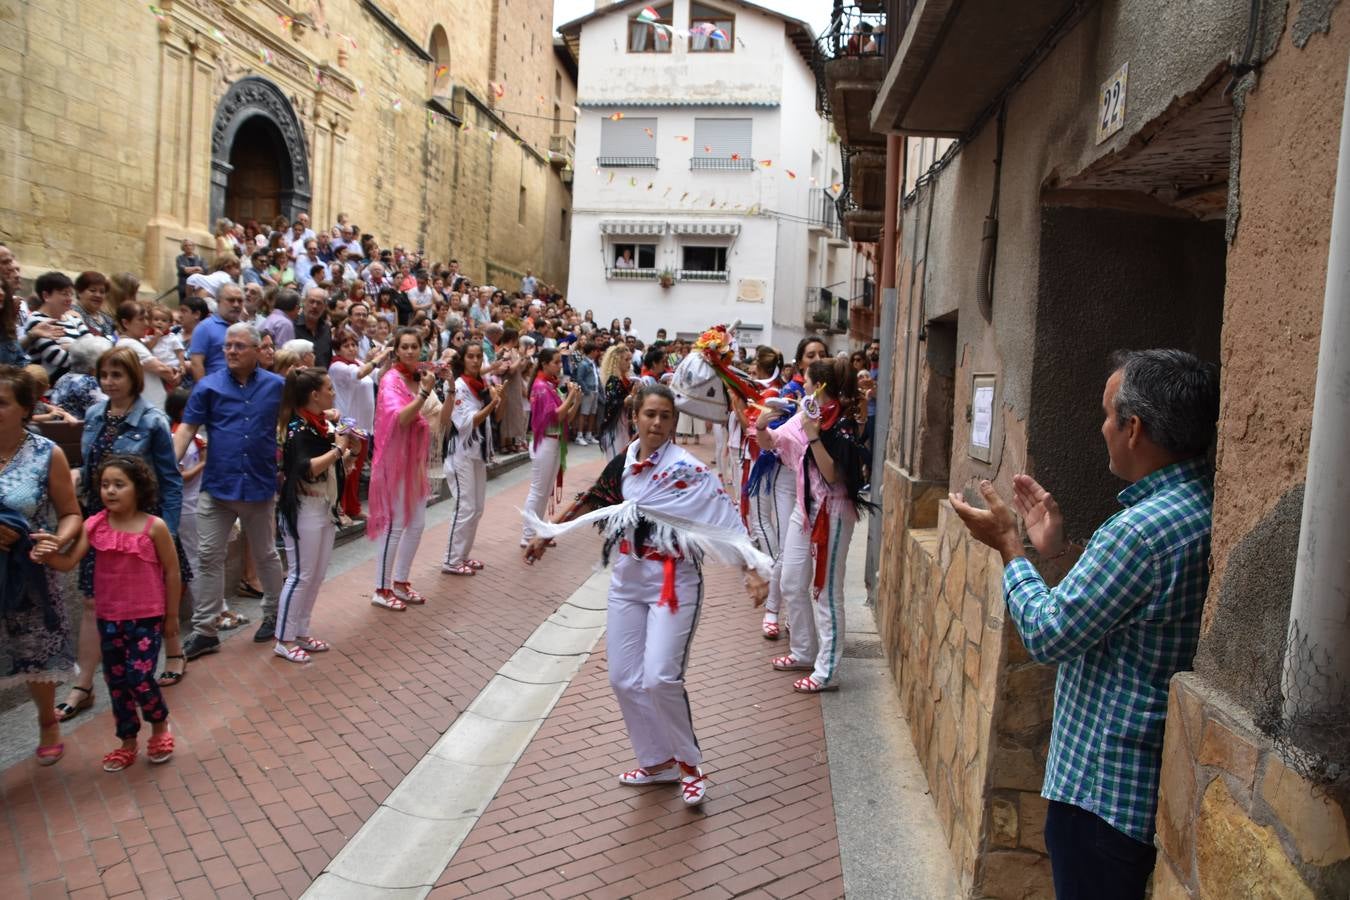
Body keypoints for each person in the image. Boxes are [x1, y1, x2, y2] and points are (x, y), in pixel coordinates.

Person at [947, 349, 1219, 900]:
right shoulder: (1198, 504)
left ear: (1134, 428)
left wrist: (1009, 546)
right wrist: (1058, 552)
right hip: (1132, 791)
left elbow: (1048, 634)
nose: (1101, 428)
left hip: (1101, 793)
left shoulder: (1139, 530)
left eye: (1106, 414)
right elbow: (1128, 611)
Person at [523, 383, 771, 806]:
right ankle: (658, 761)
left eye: (666, 417)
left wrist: (751, 569)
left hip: (674, 581)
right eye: (650, 415)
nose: (657, 423)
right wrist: (550, 533)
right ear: (634, 417)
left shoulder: (688, 470)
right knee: (623, 679)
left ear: (675, 422)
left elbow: (725, 518)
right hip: (628, 578)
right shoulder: (625, 460)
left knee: (659, 678)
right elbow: (597, 498)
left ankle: (689, 765)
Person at [56, 346, 184, 721]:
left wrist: (169, 532)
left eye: (118, 375)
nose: (110, 382)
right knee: (92, 600)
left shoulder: (153, 420)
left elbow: (170, 480)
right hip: (101, 521)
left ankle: (174, 651)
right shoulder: (94, 415)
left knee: (157, 593)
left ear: (133, 378)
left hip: (143, 524)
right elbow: (90, 465)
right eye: (105, 375)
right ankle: (84, 684)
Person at [41, 454, 181, 771]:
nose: (111, 491)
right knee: (116, 683)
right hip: (109, 619)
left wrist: (171, 616)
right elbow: (67, 561)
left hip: (146, 616)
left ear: (138, 488)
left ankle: (159, 725)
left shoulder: (154, 527)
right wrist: (45, 552)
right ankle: (127, 740)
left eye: (119, 484)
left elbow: (172, 572)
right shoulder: (94, 525)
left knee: (139, 676)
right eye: (105, 485)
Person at [757, 357, 870, 693]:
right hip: (804, 510)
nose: (800, 384)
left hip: (832, 513)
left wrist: (815, 437)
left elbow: (834, 474)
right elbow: (772, 443)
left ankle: (827, 671)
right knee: (792, 581)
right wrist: (762, 425)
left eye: (805, 380)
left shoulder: (844, 420)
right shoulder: (807, 414)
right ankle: (804, 651)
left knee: (826, 592)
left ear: (818, 385)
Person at [174, 323, 286, 658]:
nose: (231, 351)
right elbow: (187, 429)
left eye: (239, 346)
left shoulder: (277, 386)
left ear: (256, 350)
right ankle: (205, 630)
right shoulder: (207, 387)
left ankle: (274, 615)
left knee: (266, 554)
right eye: (228, 346)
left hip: (259, 485)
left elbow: (298, 418)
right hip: (218, 487)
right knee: (208, 556)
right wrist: (166, 466)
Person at [0, 365, 81, 766]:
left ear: (26, 409)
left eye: (2, 402)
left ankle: (47, 720)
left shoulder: (47, 453)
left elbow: (70, 513)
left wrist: (57, 539)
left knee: (35, 652)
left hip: (31, 571)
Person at [275, 368, 356, 663]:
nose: (332, 394)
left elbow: (331, 462)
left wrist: (349, 453)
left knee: (317, 574)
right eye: (329, 389)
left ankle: (300, 630)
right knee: (300, 574)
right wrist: (338, 450)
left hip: (323, 506)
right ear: (314, 395)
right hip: (302, 507)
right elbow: (305, 468)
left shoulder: (320, 425)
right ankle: (283, 639)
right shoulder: (298, 427)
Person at [367, 327, 436, 611]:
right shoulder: (391, 379)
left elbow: (439, 416)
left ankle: (400, 581)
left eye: (413, 347)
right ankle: (381, 589)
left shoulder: (418, 377)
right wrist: (424, 394)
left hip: (414, 463)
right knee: (394, 526)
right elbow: (401, 419)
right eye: (404, 346)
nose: (409, 351)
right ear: (396, 349)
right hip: (394, 463)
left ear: (421, 350)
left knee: (417, 523)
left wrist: (449, 386)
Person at [439, 341, 502, 575]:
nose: (475, 361)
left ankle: (462, 555)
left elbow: (496, 418)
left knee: (477, 508)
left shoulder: (483, 384)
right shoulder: (457, 386)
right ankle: (450, 559)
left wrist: (498, 401)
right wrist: (492, 404)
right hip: (460, 453)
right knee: (464, 507)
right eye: (471, 356)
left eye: (478, 356)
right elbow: (466, 423)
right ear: (463, 360)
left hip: (478, 452)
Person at [520, 348, 580, 547]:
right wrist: (571, 396)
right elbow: (556, 416)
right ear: (544, 363)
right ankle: (527, 534)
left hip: (554, 441)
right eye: (555, 362)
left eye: (559, 362)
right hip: (544, 442)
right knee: (538, 490)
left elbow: (566, 418)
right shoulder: (540, 386)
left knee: (545, 491)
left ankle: (537, 529)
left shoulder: (549, 385)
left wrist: (576, 401)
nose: (559, 365)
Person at [329, 331, 387, 523]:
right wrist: (378, 357)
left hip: (363, 424)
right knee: (345, 469)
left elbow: (379, 375)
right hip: (347, 423)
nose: (352, 348)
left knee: (355, 468)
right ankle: (340, 508)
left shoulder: (358, 363)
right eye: (346, 345)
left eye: (354, 345)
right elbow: (361, 374)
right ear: (338, 349)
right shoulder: (337, 366)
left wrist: (390, 359)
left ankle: (353, 507)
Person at [24, 271, 89, 381]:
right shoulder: (37, 321)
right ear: (46, 296)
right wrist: (80, 347)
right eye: (64, 294)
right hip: (49, 391)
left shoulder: (74, 320)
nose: (70, 299)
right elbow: (59, 359)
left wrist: (69, 346)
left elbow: (97, 350)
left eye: (71, 294)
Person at [113, 301, 177, 409]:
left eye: (147, 319)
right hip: (149, 407)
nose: (147, 324)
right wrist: (175, 375)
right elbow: (162, 370)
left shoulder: (137, 342)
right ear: (126, 323)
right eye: (141, 319)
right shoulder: (129, 344)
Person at [189, 282, 244, 380]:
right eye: (231, 300)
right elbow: (196, 364)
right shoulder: (204, 328)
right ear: (218, 302)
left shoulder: (246, 329)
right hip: (215, 391)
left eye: (240, 301)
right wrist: (205, 392)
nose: (236, 305)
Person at [49, 334, 112, 420]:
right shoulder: (89, 383)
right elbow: (107, 412)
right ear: (94, 363)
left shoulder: (65, 377)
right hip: (78, 430)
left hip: (58, 429)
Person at [597, 344, 636, 461]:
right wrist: (632, 396)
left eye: (630, 359)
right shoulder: (613, 381)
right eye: (626, 360)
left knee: (623, 460)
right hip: (614, 428)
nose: (629, 363)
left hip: (623, 425)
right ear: (617, 361)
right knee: (616, 461)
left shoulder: (624, 380)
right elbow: (614, 403)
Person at [295, 287, 333, 367]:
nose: (314, 306)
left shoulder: (326, 329)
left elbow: (327, 358)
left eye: (319, 303)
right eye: (311, 301)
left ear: (325, 306)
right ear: (304, 302)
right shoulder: (292, 326)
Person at [73, 271, 116, 339]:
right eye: (92, 290)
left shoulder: (108, 319)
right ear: (79, 292)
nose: (98, 295)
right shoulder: (72, 313)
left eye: (102, 292)